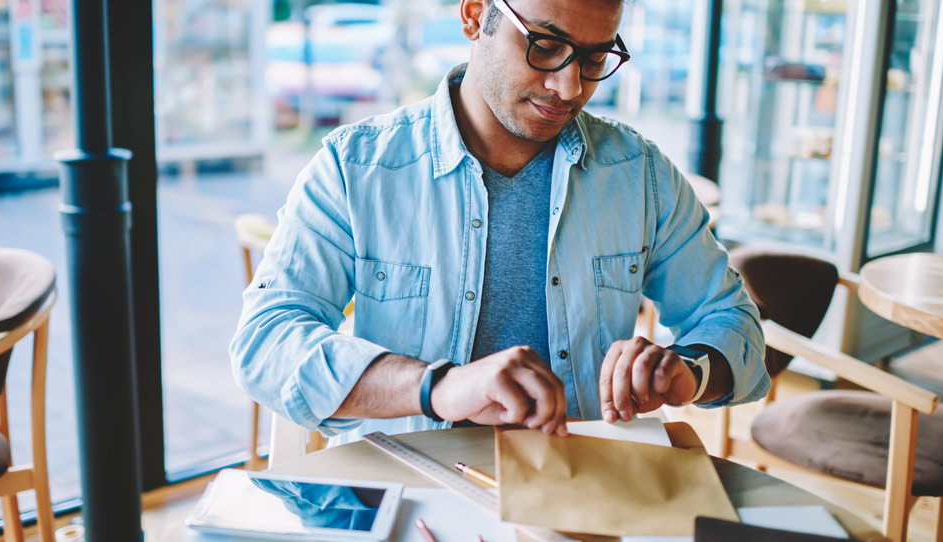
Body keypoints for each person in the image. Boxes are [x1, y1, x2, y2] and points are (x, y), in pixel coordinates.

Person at [230, 0, 771, 446]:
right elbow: (265, 342)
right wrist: (438, 386)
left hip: (579, 494)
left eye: (593, 57)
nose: (569, 87)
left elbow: (733, 323)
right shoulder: (358, 168)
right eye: (545, 46)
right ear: (473, 15)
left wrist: (687, 372)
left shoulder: (642, 176)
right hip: (410, 487)